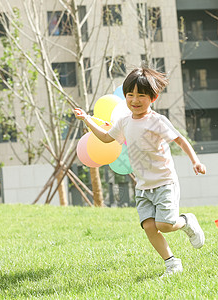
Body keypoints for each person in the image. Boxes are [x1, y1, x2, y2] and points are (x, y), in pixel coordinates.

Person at [74, 67, 206, 277]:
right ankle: (172, 263)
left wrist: (195, 161)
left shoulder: (157, 121)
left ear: (152, 98)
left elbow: (180, 140)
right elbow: (107, 138)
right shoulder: (124, 121)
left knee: (165, 224)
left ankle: (187, 221)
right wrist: (87, 119)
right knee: (149, 226)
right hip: (143, 187)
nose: (135, 100)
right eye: (130, 95)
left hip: (164, 182)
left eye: (141, 95)